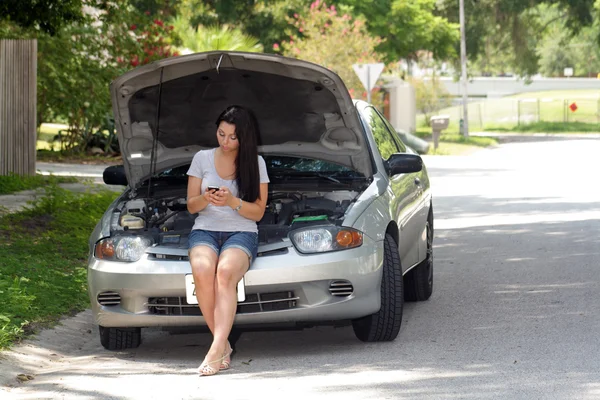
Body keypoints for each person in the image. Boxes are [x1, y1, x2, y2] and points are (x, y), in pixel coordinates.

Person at [186, 105, 269, 376]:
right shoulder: (201, 158)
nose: (225, 142)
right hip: (205, 229)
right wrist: (205, 198)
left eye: (232, 137)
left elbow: (257, 212)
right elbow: (190, 206)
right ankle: (222, 346)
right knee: (201, 269)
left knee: (224, 272)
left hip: (242, 231)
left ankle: (215, 349)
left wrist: (233, 202)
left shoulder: (256, 163)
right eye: (221, 134)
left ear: (244, 137)